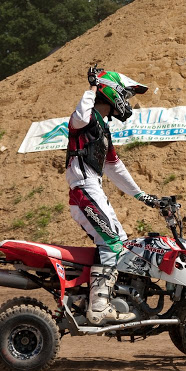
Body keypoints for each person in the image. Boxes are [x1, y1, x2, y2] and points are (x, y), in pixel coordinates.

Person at [66, 66, 157, 325]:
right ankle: (98, 307)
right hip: (84, 189)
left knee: (122, 244)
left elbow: (114, 167)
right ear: (112, 92)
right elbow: (82, 115)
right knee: (112, 243)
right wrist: (93, 88)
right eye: (125, 95)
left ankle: (94, 297)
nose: (126, 102)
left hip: (92, 190)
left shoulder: (102, 130)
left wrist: (142, 196)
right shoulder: (83, 119)